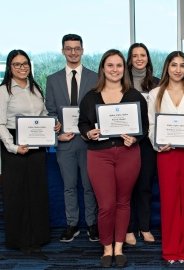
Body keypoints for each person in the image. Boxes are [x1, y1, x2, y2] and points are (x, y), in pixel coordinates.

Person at [78, 49, 148, 267]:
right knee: (106, 204)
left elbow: (143, 127)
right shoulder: (90, 97)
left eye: (119, 65)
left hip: (128, 154)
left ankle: (118, 248)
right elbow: (83, 124)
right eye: (110, 65)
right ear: (103, 68)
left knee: (123, 202)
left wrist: (134, 139)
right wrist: (88, 133)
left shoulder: (134, 96)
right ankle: (106, 248)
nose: (115, 70)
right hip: (99, 155)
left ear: (123, 69)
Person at [148, 51, 184, 264]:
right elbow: (152, 125)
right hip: (167, 154)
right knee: (170, 202)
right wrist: (157, 143)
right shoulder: (155, 94)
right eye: (174, 65)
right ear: (167, 67)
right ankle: (171, 250)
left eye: (182, 65)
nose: (178, 69)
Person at [0, 49, 60, 258]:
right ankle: (20, 240)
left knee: (36, 191)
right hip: (15, 145)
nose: (22, 67)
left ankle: (38, 237)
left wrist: (53, 124)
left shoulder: (35, 87)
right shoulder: (4, 91)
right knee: (17, 194)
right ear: (10, 67)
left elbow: (42, 115)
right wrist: (14, 147)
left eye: (25, 63)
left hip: (37, 145)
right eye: (17, 64)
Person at [45, 34, 99, 243]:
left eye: (77, 48)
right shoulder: (52, 79)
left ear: (82, 50)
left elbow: (98, 108)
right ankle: (72, 224)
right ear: (63, 51)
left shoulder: (95, 78)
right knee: (69, 186)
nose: (73, 52)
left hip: (89, 142)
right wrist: (57, 130)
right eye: (69, 48)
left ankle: (92, 225)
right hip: (65, 142)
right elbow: (50, 111)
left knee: (89, 185)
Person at [125, 42, 160, 245]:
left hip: (148, 142)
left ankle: (145, 227)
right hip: (126, 141)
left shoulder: (156, 83)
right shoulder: (122, 83)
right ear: (130, 59)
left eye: (143, 55)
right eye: (135, 55)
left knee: (145, 186)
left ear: (148, 59)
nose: (139, 59)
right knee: (127, 187)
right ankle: (129, 229)